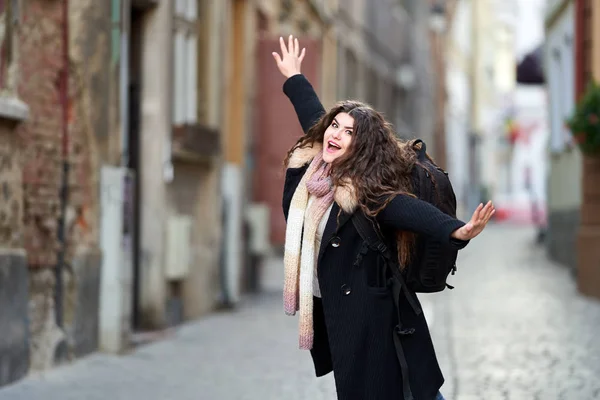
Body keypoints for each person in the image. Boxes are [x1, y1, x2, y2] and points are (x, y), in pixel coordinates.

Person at [273, 35, 495, 400]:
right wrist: (294, 76)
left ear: (361, 148)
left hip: (373, 319)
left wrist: (458, 231)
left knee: (398, 389)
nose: (336, 134)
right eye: (335, 126)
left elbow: (408, 209)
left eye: (349, 133)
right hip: (345, 315)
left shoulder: (365, 190)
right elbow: (313, 115)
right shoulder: (316, 174)